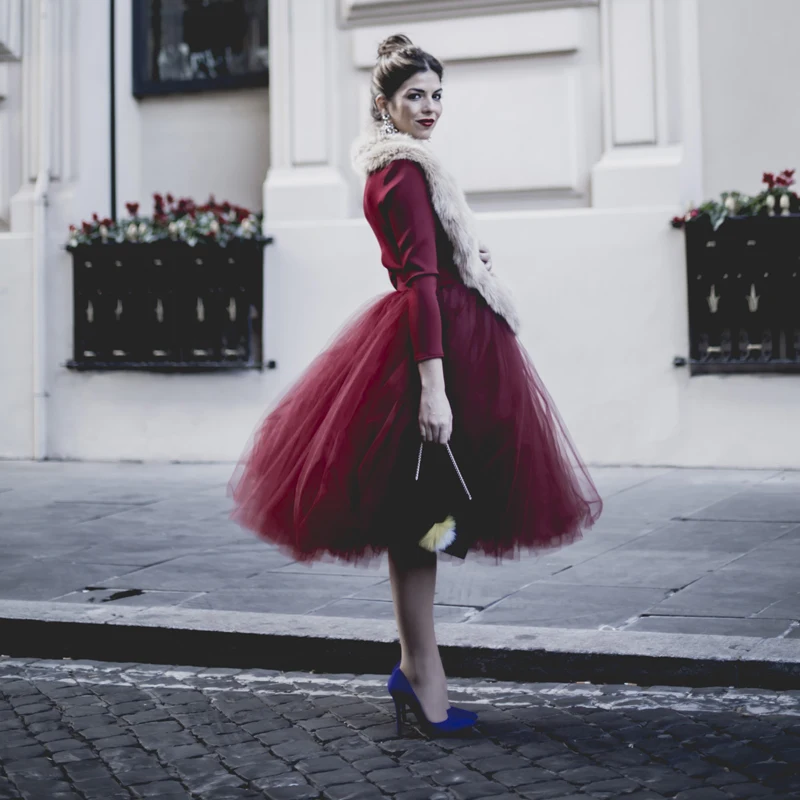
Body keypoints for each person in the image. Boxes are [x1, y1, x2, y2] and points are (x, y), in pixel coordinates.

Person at [229, 34, 602, 737]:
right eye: (414, 98)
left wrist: (468, 259)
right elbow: (417, 285)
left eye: (436, 96)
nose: (429, 109)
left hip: (441, 342)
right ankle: (422, 672)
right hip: (430, 356)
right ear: (384, 103)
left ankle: (418, 668)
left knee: (424, 523)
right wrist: (435, 389)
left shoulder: (403, 170)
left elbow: (427, 264)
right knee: (423, 522)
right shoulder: (401, 173)